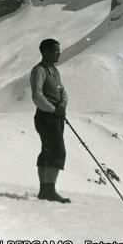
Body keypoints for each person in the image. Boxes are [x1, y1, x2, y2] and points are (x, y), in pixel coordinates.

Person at [31, 38, 71, 203]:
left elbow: (63, 91)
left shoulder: (54, 71)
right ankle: (49, 190)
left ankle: (44, 190)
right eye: (55, 50)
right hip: (46, 116)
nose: (59, 53)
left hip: (55, 116)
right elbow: (37, 95)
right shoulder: (39, 70)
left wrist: (62, 103)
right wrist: (54, 109)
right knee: (57, 151)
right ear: (45, 52)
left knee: (48, 151)